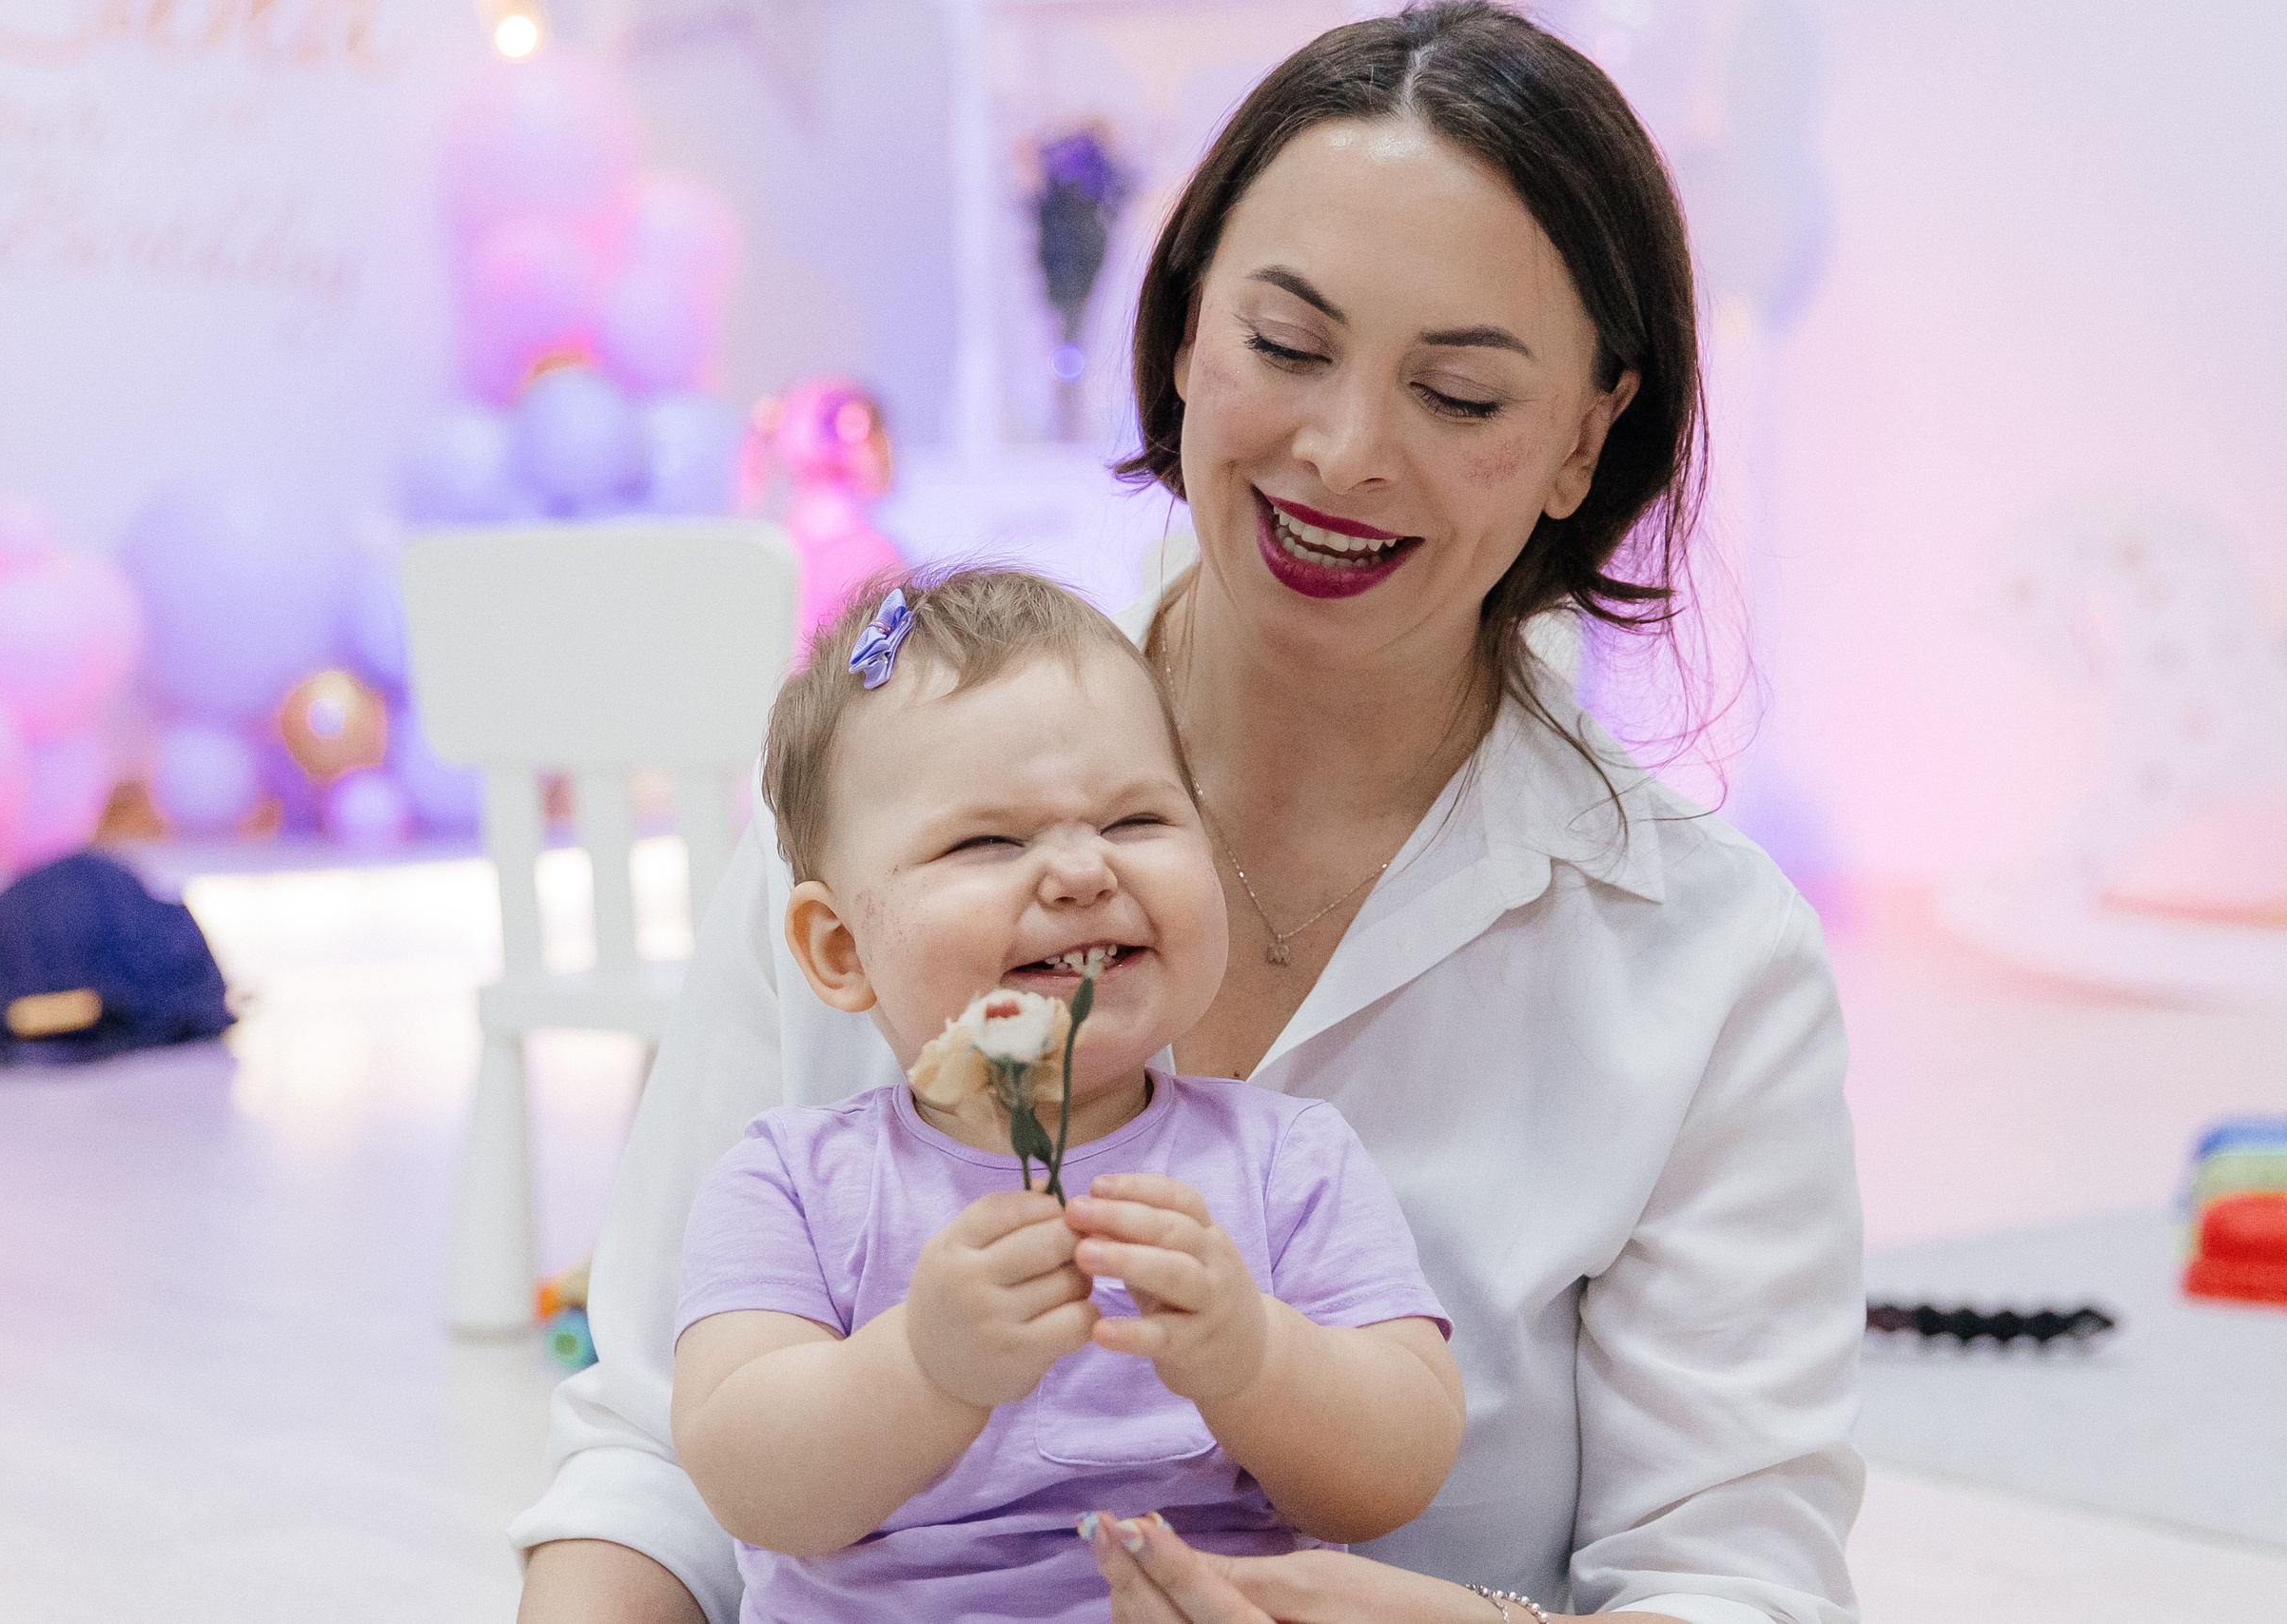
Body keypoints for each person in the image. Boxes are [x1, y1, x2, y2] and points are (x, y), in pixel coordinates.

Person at [513, 5, 1864, 1621]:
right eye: (1286, 346)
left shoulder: (1703, 964)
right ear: (1180, 329)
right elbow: (656, 1452)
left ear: (1585, 438)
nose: (1344, 452)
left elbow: (1733, 1576)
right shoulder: (877, 804)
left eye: (1459, 394)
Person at [668, 570, 1462, 1621]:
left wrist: (1256, 1359)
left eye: (1136, 819)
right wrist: (921, 1366)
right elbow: (745, 1480)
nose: (1084, 872)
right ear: (840, 948)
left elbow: (1399, 1470)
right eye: (989, 841)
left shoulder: (1289, 1161)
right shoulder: (793, 1183)